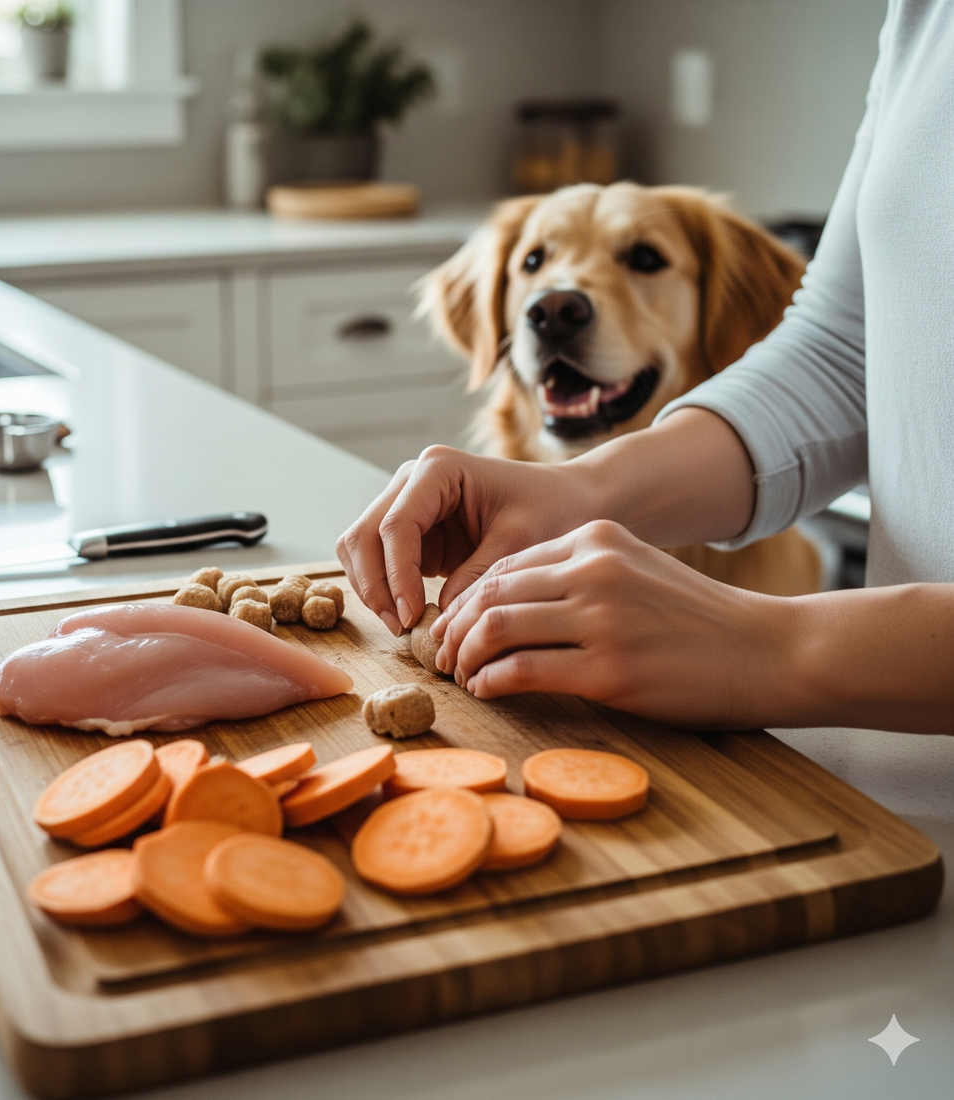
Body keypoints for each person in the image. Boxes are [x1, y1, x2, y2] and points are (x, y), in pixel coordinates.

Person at [336, 0, 954, 736]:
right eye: (538, 265)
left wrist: (769, 648)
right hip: (892, 792)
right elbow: (851, 349)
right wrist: (581, 492)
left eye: (642, 260)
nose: (557, 301)